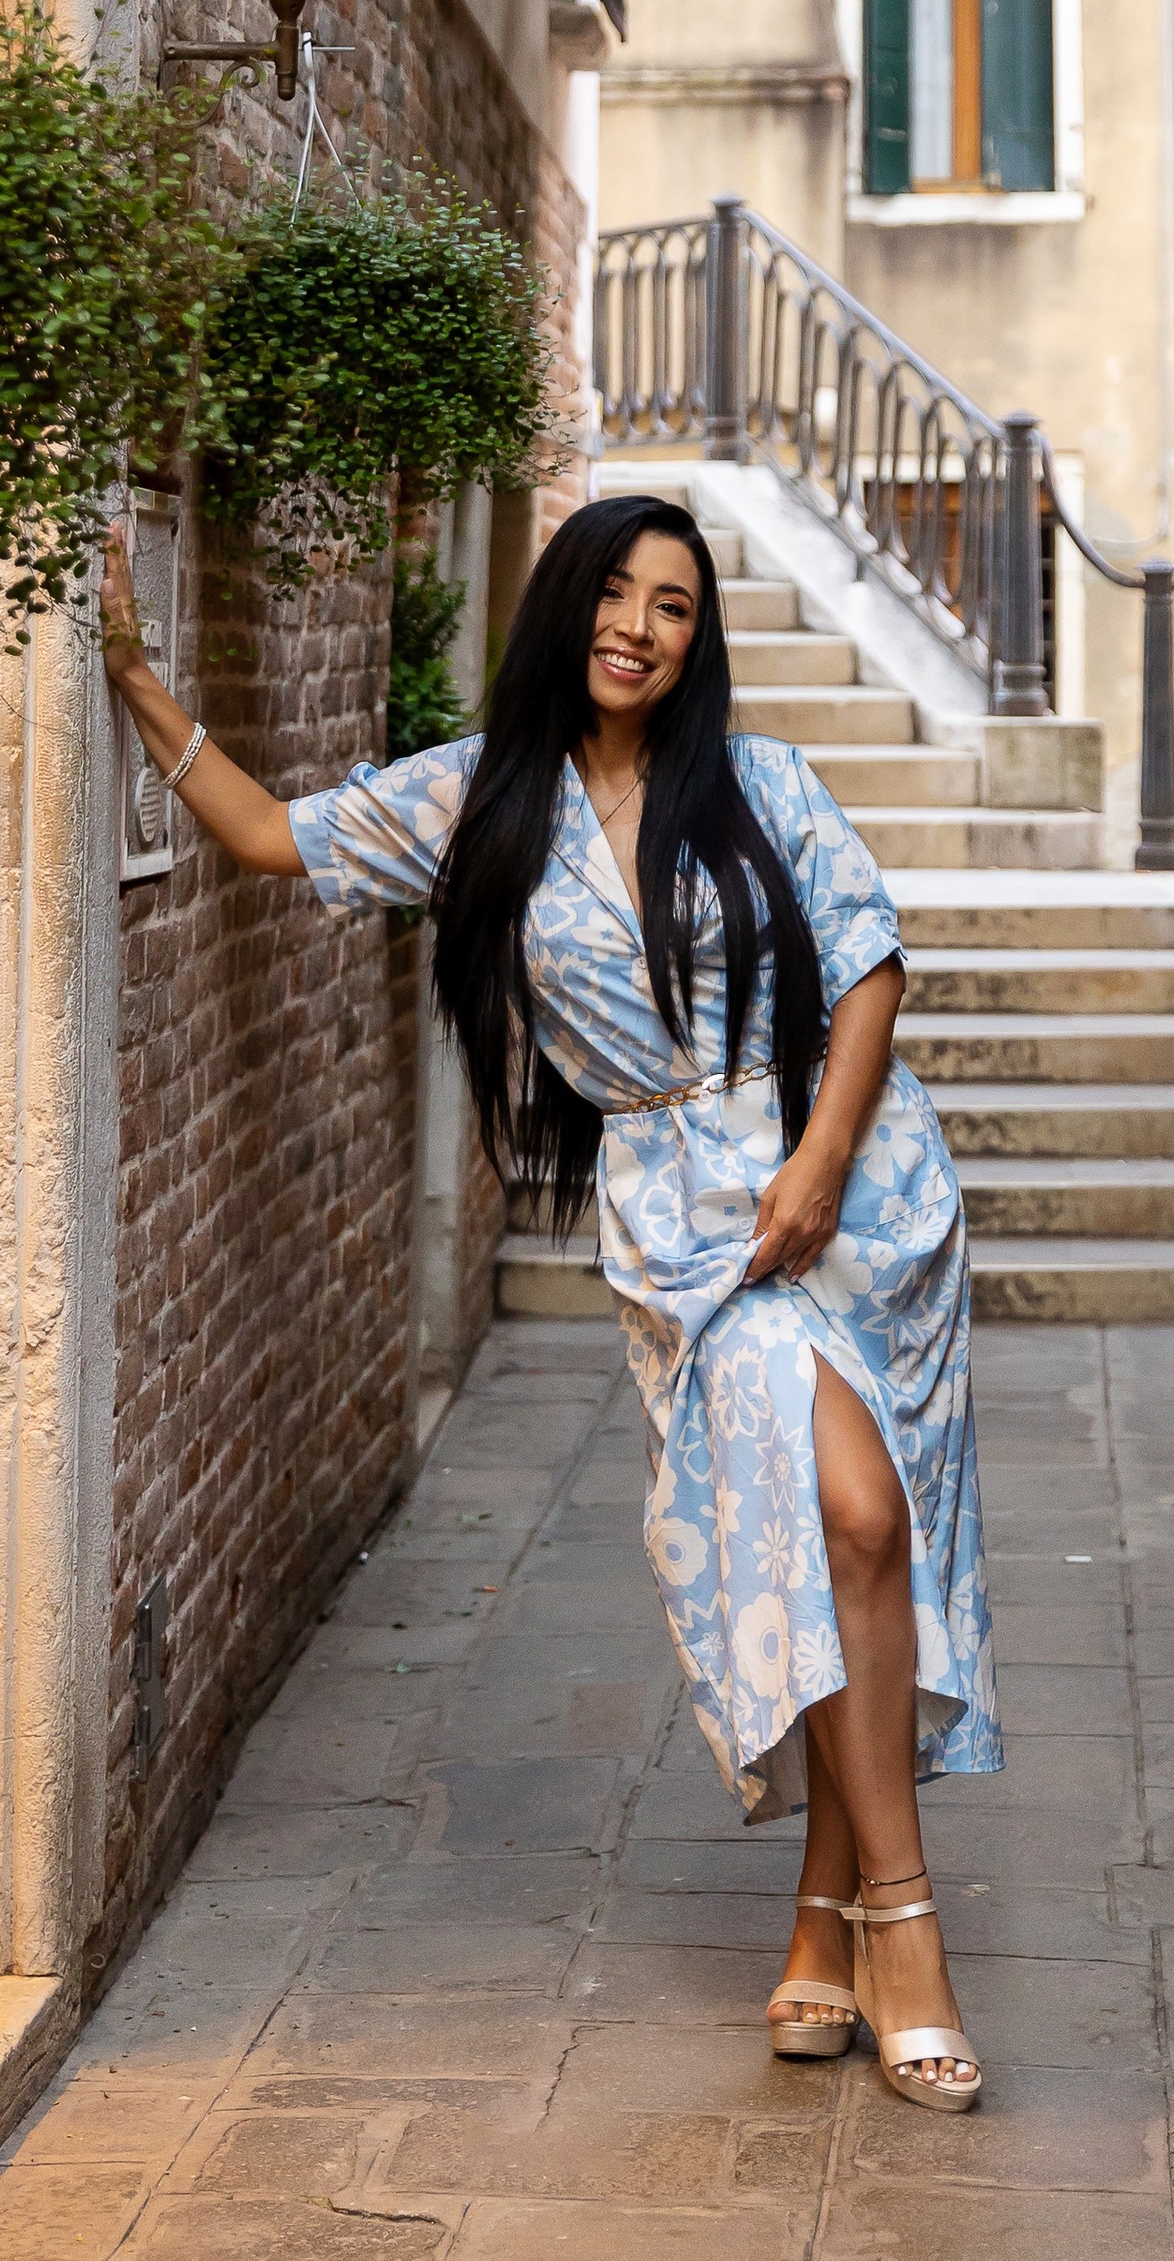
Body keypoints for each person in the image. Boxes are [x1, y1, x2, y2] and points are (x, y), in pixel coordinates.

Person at [100, 490, 998, 2100]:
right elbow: (268, 834)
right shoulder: (481, 805)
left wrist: (822, 1160)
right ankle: (905, 1920)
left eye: (673, 607)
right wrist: (137, 677)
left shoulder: (760, 782)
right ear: (566, 603)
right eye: (616, 594)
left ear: (693, 636)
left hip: (855, 1199)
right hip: (691, 1240)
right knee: (846, 1521)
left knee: (850, 1543)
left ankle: (824, 1927)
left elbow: (869, 965)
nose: (638, 628)